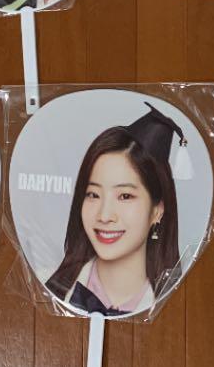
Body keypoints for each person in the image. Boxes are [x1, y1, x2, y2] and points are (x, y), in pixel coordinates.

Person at [44, 103, 191, 317]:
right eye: (93, 194)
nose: (104, 216)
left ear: (157, 211)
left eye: (125, 196)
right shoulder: (45, 289)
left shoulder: (182, 308)